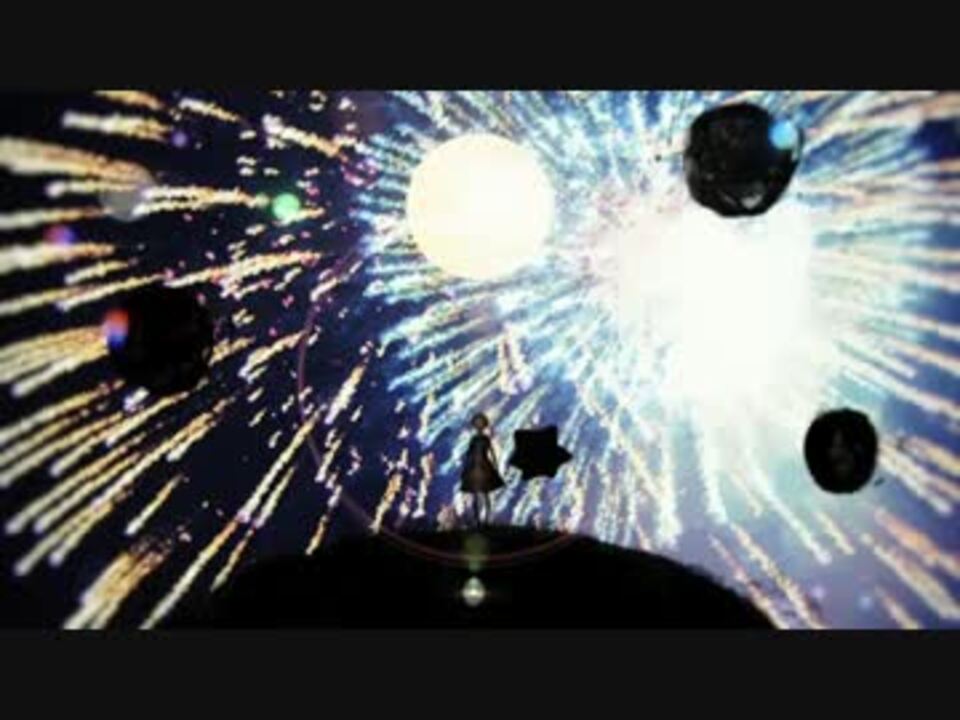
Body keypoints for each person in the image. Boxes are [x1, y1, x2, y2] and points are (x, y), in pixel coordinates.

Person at [460, 413, 505, 526]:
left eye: (480, 424)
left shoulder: (484, 439)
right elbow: (470, 453)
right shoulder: (475, 439)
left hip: (482, 466)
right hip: (476, 466)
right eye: (477, 424)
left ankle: (485, 520)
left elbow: (491, 453)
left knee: (484, 494)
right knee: (478, 495)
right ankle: (479, 521)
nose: (479, 426)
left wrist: (496, 466)